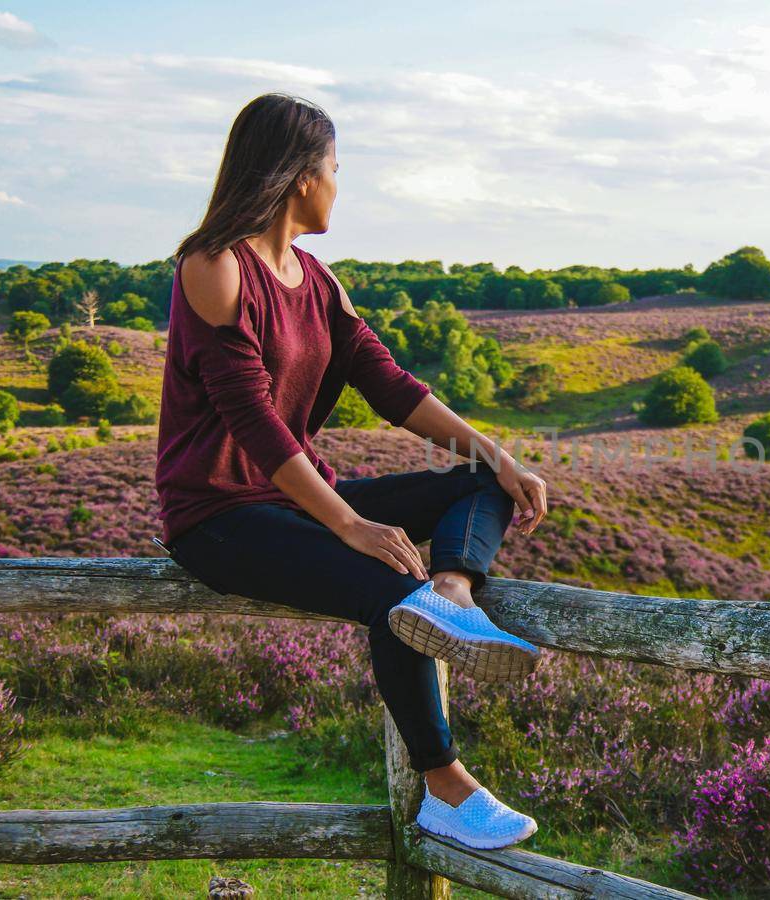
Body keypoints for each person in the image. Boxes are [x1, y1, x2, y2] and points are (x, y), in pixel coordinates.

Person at [153, 92, 549, 850]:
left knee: (474, 486)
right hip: (217, 517)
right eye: (336, 169)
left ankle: (453, 592)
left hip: (296, 501)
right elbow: (253, 419)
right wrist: (349, 522)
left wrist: (499, 457)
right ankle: (447, 790)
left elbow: (392, 386)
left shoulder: (319, 281)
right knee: (391, 594)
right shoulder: (214, 266)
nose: (339, 185)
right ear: (302, 177)